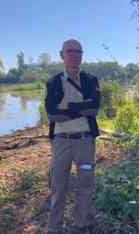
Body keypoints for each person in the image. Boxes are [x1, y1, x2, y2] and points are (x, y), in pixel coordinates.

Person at [44, 39, 100, 233]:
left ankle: (80, 224)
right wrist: (81, 108)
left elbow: (93, 109)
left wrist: (67, 108)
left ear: (82, 55)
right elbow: (52, 114)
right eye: (70, 51)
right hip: (61, 143)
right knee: (58, 186)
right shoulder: (52, 82)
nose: (75, 55)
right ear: (62, 55)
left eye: (79, 52)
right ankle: (54, 227)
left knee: (85, 183)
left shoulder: (91, 80)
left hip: (85, 142)